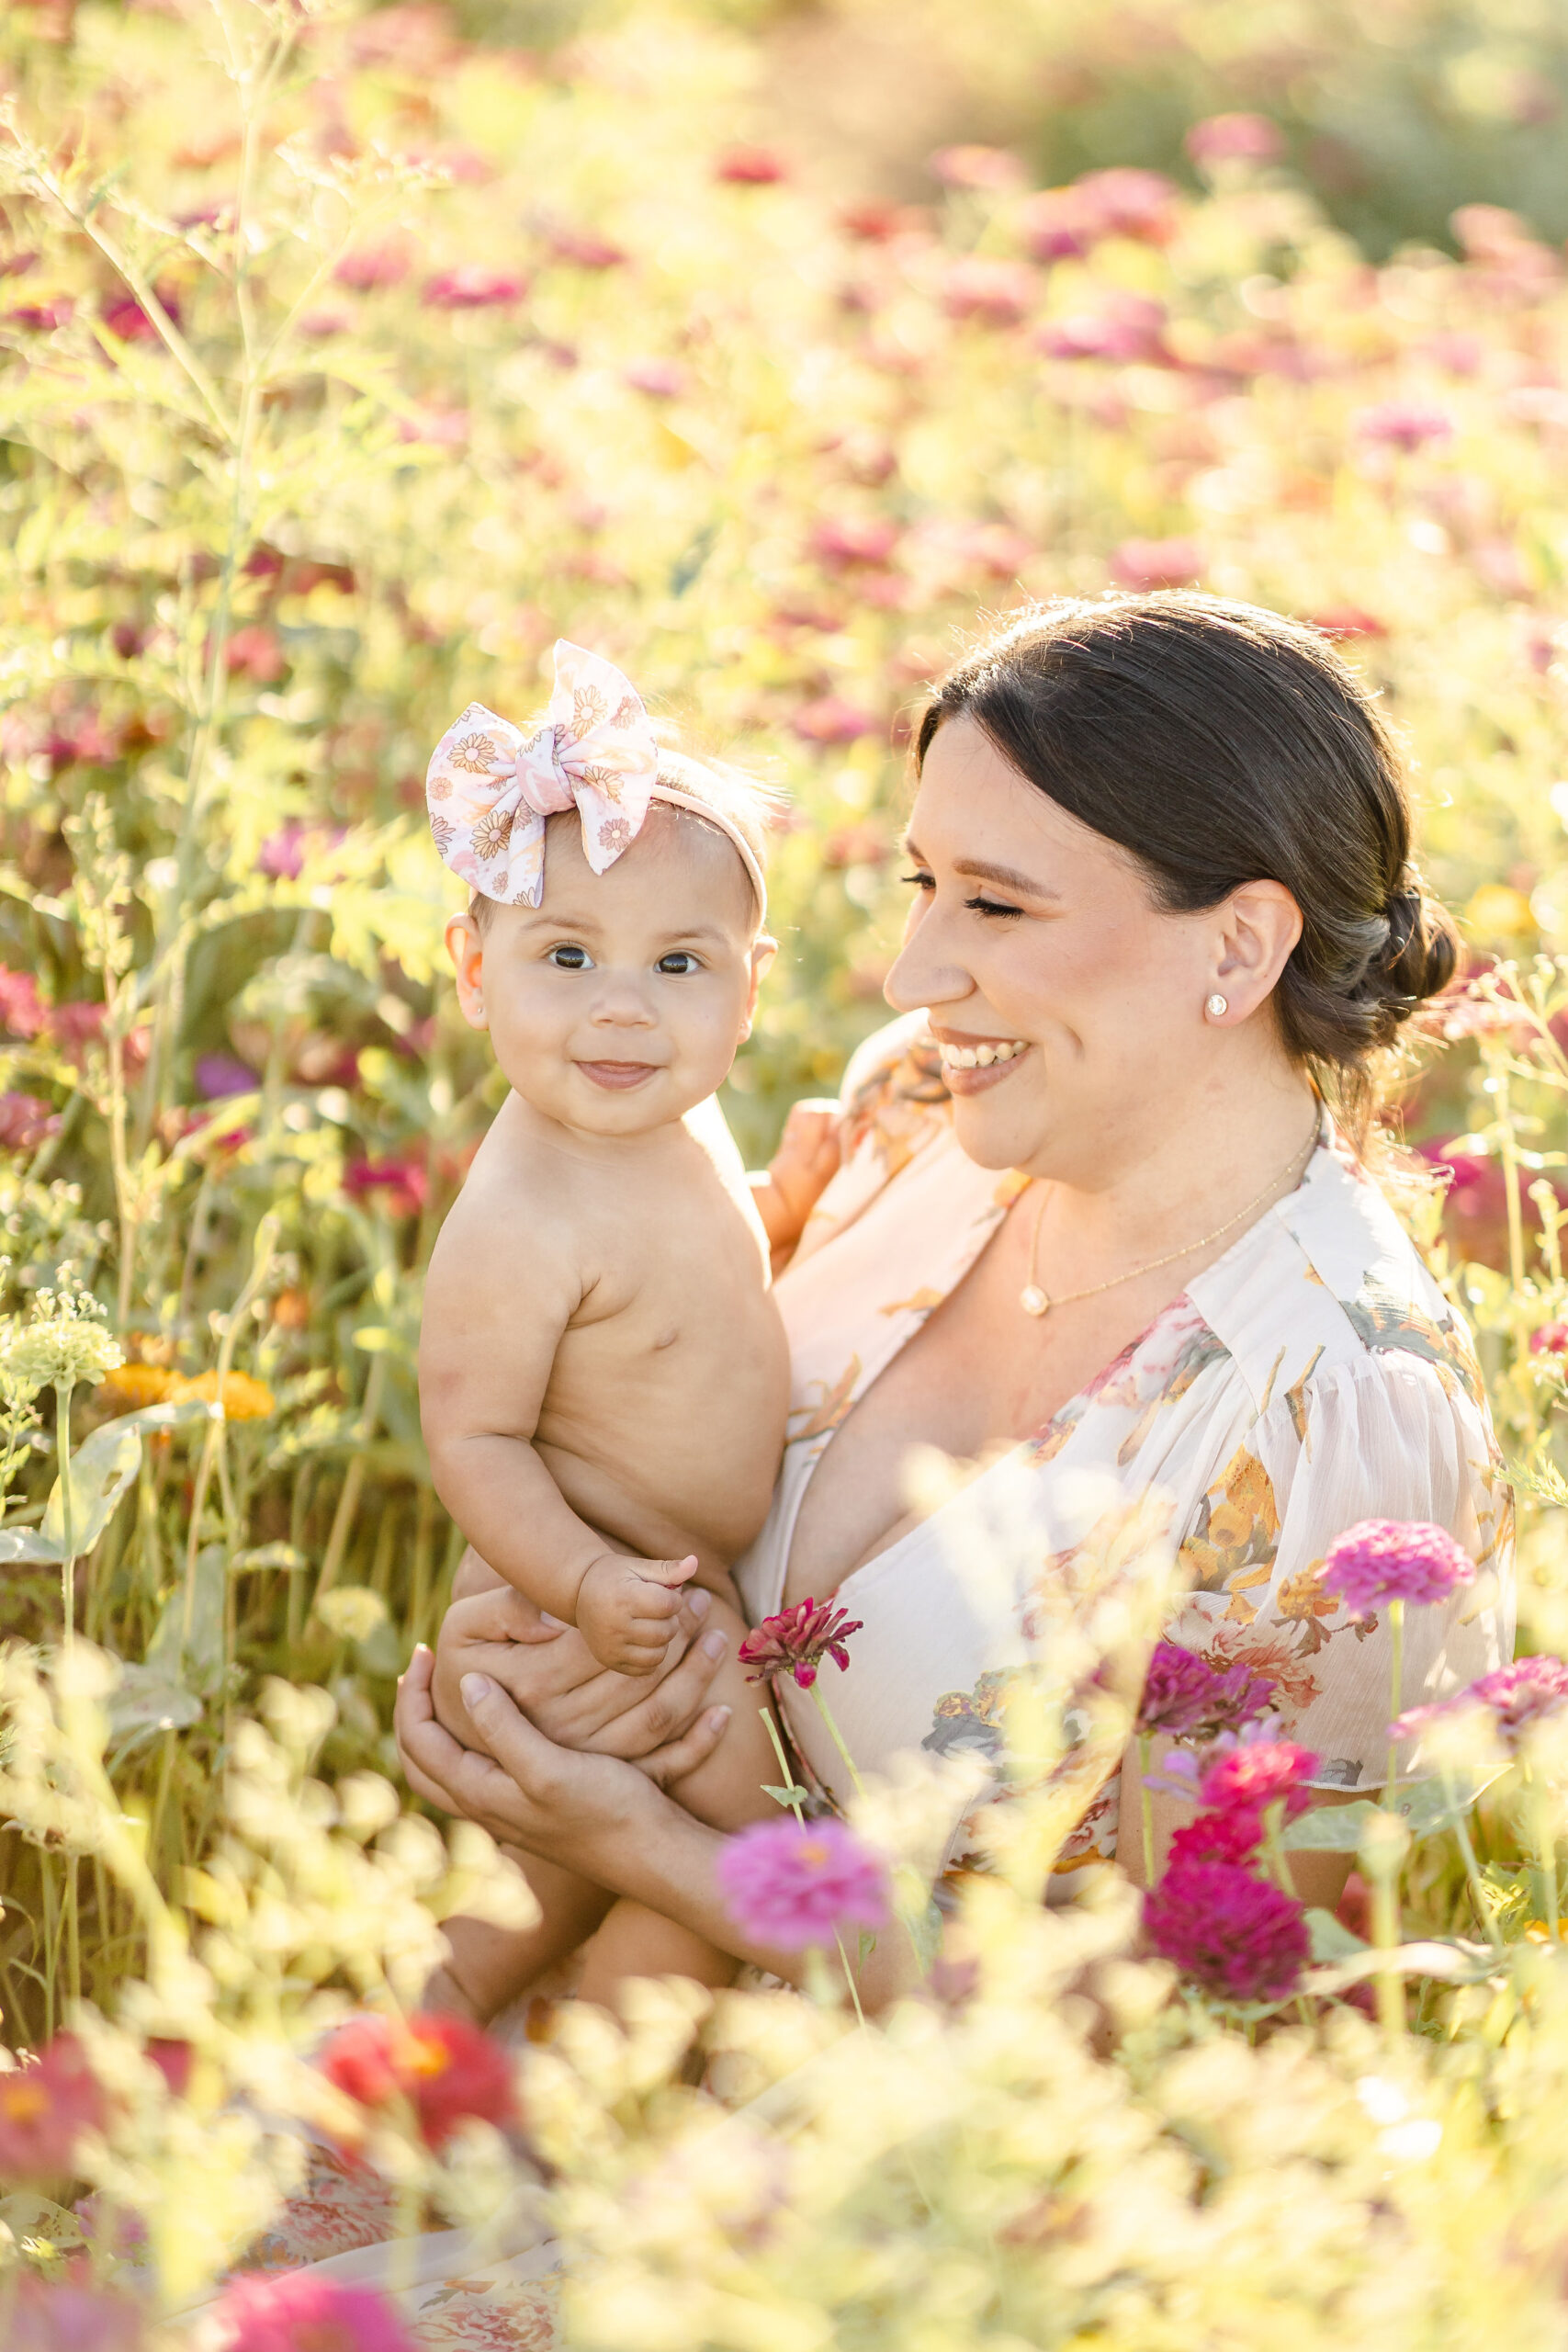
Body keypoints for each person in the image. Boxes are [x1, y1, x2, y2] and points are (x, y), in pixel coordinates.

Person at [398, 591, 1514, 2009]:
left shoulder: (1333, 1416)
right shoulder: (919, 1107)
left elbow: (1169, 2030)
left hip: (888, 2187)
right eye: (923, 887)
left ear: (1237, 949)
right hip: (559, 2047)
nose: (913, 972)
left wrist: (642, 1842)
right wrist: (526, 1662)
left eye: (995, 901)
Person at [419, 639, 829, 2018]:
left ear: (749, 990)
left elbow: (687, 1295)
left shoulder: (672, 1114)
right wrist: (587, 1586)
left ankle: (563, 2120)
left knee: (653, 1905)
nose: (622, 1006)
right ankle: (384, 2086)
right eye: (569, 954)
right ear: (476, 970)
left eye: (678, 965)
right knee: (739, 1849)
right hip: (573, 1613)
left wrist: (790, 1201)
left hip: (664, 1590)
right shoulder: (522, 1212)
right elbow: (474, 1440)